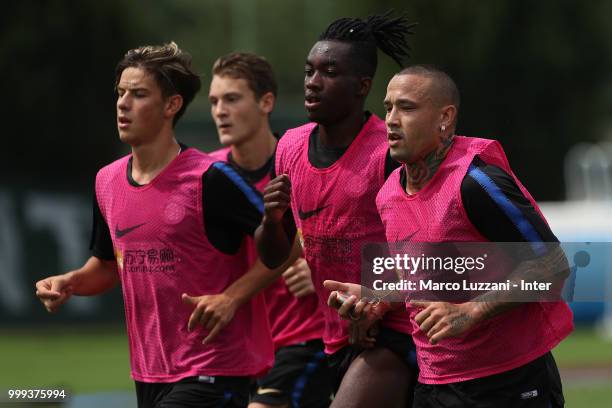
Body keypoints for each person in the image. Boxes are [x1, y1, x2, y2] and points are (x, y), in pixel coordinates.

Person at [35, 42, 284, 408]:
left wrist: (232, 298)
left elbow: (287, 243)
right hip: (149, 373)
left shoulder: (211, 178)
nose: (123, 103)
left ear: (171, 105)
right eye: (120, 93)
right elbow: (106, 267)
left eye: (138, 94)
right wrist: (70, 282)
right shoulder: (107, 181)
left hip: (215, 369)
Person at [325, 65, 573, 407]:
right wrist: (375, 299)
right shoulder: (388, 194)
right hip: (434, 387)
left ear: (445, 117)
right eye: (388, 107)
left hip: (508, 383)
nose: (392, 120)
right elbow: (423, 276)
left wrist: (472, 312)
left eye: (407, 108)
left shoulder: (478, 182)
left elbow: (553, 266)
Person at [255, 12, 419, 408]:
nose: (313, 82)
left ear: (362, 86)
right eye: (310, 70)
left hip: (395, 328)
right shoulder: (289, 147)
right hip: (338, 333)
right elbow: (274, 255)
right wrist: (271, 220)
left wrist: (375, 304)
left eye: (329, 72)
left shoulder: (389, 152)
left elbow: (424, 250)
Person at [207, 51, 332, 408]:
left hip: (306, 339)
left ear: (266, 102)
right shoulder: (208, 174)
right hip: (239, 352)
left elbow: (355, 229)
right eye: (214, 101)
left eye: (232, 98)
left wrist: (320, 264)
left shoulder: (304, 166)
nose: (220, 110)